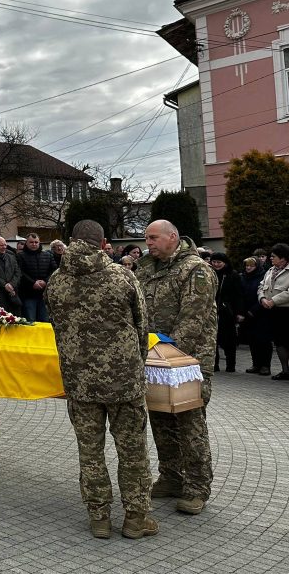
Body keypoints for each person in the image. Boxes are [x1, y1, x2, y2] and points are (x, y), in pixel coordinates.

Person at [45, 220, 157, 540]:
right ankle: (135, 517)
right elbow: (141, 328)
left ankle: (99, 517)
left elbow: (56, 325)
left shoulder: (56, 281)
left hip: (80, 382)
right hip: (124, 382)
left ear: (71, 240)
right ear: (103, 242)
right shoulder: (122, 276)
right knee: (132, 450)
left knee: (90, 451)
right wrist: (135, 364)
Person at [137, 219, 217, 515]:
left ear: (173, 237)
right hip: (155, 360)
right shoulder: (146, 268)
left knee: (190, 424)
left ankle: (197, 487)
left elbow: (192, 319)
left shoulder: (196, 270)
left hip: (188, 362)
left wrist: (167, 352)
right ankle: (171, 477)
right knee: (161, 420)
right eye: (147, 238)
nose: (148, 243)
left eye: (153, 238)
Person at [258, 243, 289, 379]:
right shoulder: (270, 271)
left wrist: (273, 301)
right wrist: (262, 299)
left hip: (286, 311)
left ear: (283, 258)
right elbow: (261, 286)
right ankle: (285, 370)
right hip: (272, 312)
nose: (271, 258)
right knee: (279, 342)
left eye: (273, 256)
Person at [210, 252, 243, 373]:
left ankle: (231, 364)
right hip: (212, 310)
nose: (216, 264)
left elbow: (239, 295)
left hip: (227, 311)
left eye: (219, 262)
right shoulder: (209, 273)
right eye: (214, 262)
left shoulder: (233, 275)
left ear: (225, 263)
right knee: (213, 339)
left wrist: (239, 312)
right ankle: (214, 364)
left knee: (229, 339)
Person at [17, 233, 56, 322]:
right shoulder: (20, 256)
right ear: (26, 243)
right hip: (28, 294)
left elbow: (54, 271)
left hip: (44, 295)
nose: (34, 244)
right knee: (30, 321)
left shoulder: (48, 255)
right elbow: (19, 272)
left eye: (36, 242)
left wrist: (45, 281)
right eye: (31, 242)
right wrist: (32, 283)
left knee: (45, 321)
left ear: (39, 243)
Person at [240, 257, 267, 374]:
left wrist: (254, 310)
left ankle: (265, 365)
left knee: (263, 340)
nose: (248, 268)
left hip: (260, 312)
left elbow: (265, 293)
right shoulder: (242, 277)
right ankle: (256, 364)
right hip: (247, 313)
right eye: (247, 265)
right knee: (252, 340)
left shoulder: (263, 276)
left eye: (251, 266)